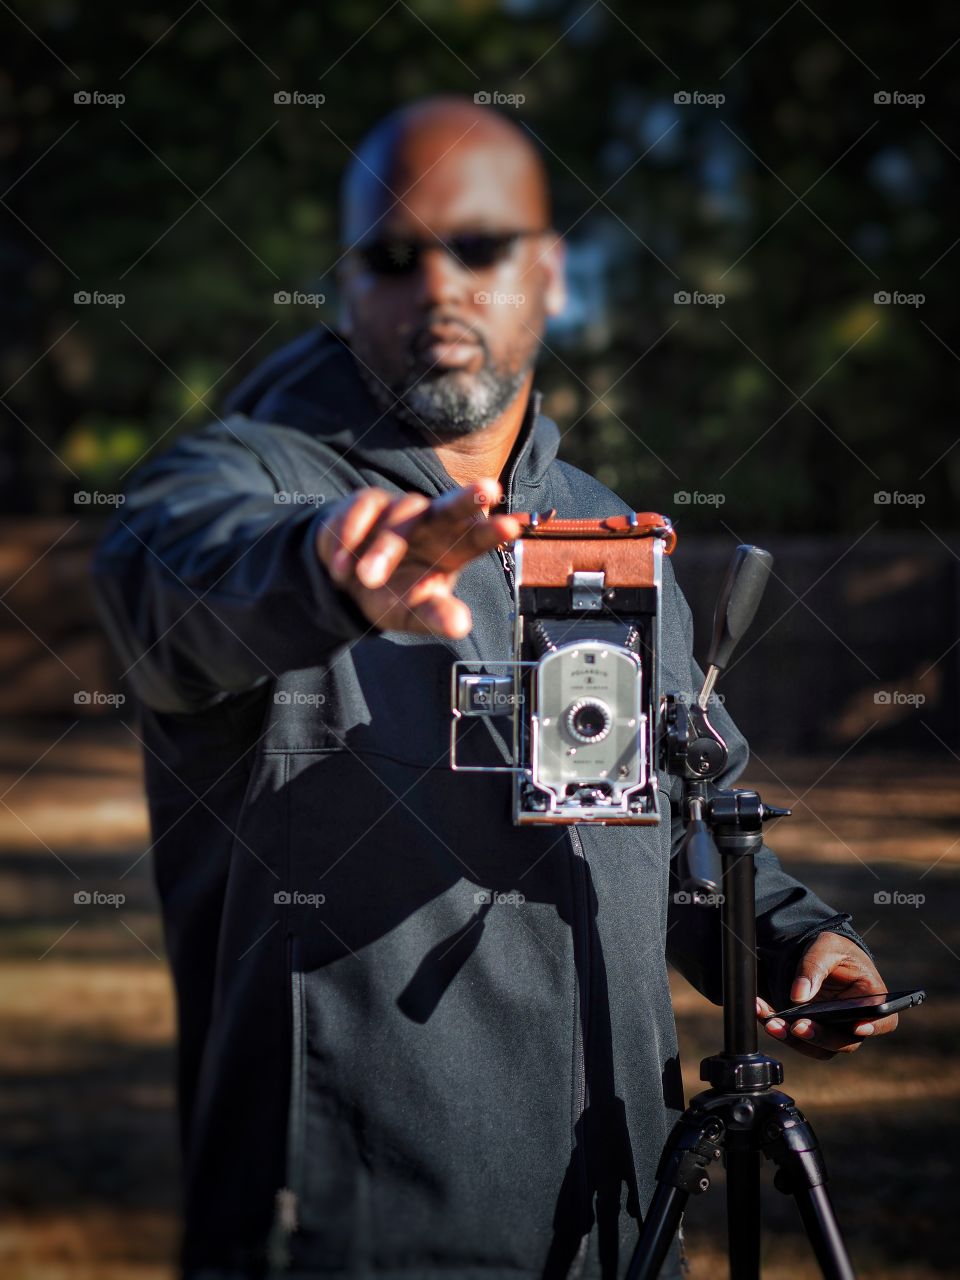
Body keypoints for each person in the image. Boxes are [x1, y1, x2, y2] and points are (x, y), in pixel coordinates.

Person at [92, 96, 896, 1280]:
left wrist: (790, 940)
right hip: (348, 1245)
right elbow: (172, 586)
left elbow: (675, 815)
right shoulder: (250, 484)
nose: (437, 285)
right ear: (345, 285)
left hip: (627, 1223)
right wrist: (331, 570)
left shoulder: (618, 535)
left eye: (478, 246)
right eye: (392, 255)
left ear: (552, 272)